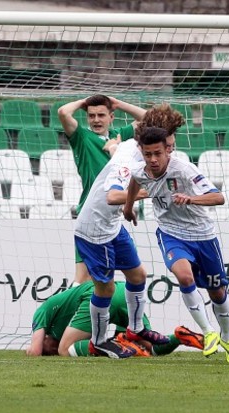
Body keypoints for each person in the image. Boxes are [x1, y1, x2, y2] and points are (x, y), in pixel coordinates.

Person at [123, 127, 229, 363]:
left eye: (157, 153)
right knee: (184, 276)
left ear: (167, 150)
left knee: (217, 291)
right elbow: (134, 182)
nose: (153, 159)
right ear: (142, 152)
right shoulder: (140, 170)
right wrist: (128, 208)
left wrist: (192, 198)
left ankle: (227, 338)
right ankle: (209, 332)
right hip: (170, 233)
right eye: (148, 154)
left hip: (203, 235)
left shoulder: (185, 169)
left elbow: (218, 197)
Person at [74, 130, 169, 359]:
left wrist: (112, 146)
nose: (169, 151)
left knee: (138, 275)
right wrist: (150, 192)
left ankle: (136, 329)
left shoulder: (129, 146)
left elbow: (119, 146)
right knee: (105, 288)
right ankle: (98, 342)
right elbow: (113, 196)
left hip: (113, 225)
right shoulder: (127, 165)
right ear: (145, 150)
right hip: (95, 231)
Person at [58, 95, 147, 286]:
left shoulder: (120, 135)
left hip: (112, 217)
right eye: (91, 116)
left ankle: (116, 315)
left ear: (111, 117)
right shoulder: (82, 137)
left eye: (101, 115)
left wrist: (119, 103)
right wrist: (84, 102)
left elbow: (148, 118)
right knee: (83, 279)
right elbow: (63, 112)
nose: (96, 120)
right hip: (91, 215)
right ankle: (66, 313)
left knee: (128, 276)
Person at [25, 281, 204, 357]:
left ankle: (122, 344)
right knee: (151, 348)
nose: (51, 350)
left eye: (49, 349)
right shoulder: (67, 323)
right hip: (123, 291)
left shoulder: (41, 312)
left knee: (65, 350)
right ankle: (179, 336)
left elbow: (35, 351)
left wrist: (30, 350)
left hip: (99, 297)